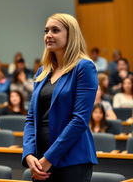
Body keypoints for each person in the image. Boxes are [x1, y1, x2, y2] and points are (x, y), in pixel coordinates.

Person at [22, 13, 98, 182]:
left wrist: (49, 158)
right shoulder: (42, 72)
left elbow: (79, 120)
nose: (48, 35)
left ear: (70, 35)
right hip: (40, 160)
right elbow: (31, 118)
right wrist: (28, 154)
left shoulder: (84, 67)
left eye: (55, 30)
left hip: (72, 161)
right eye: (46, 30)